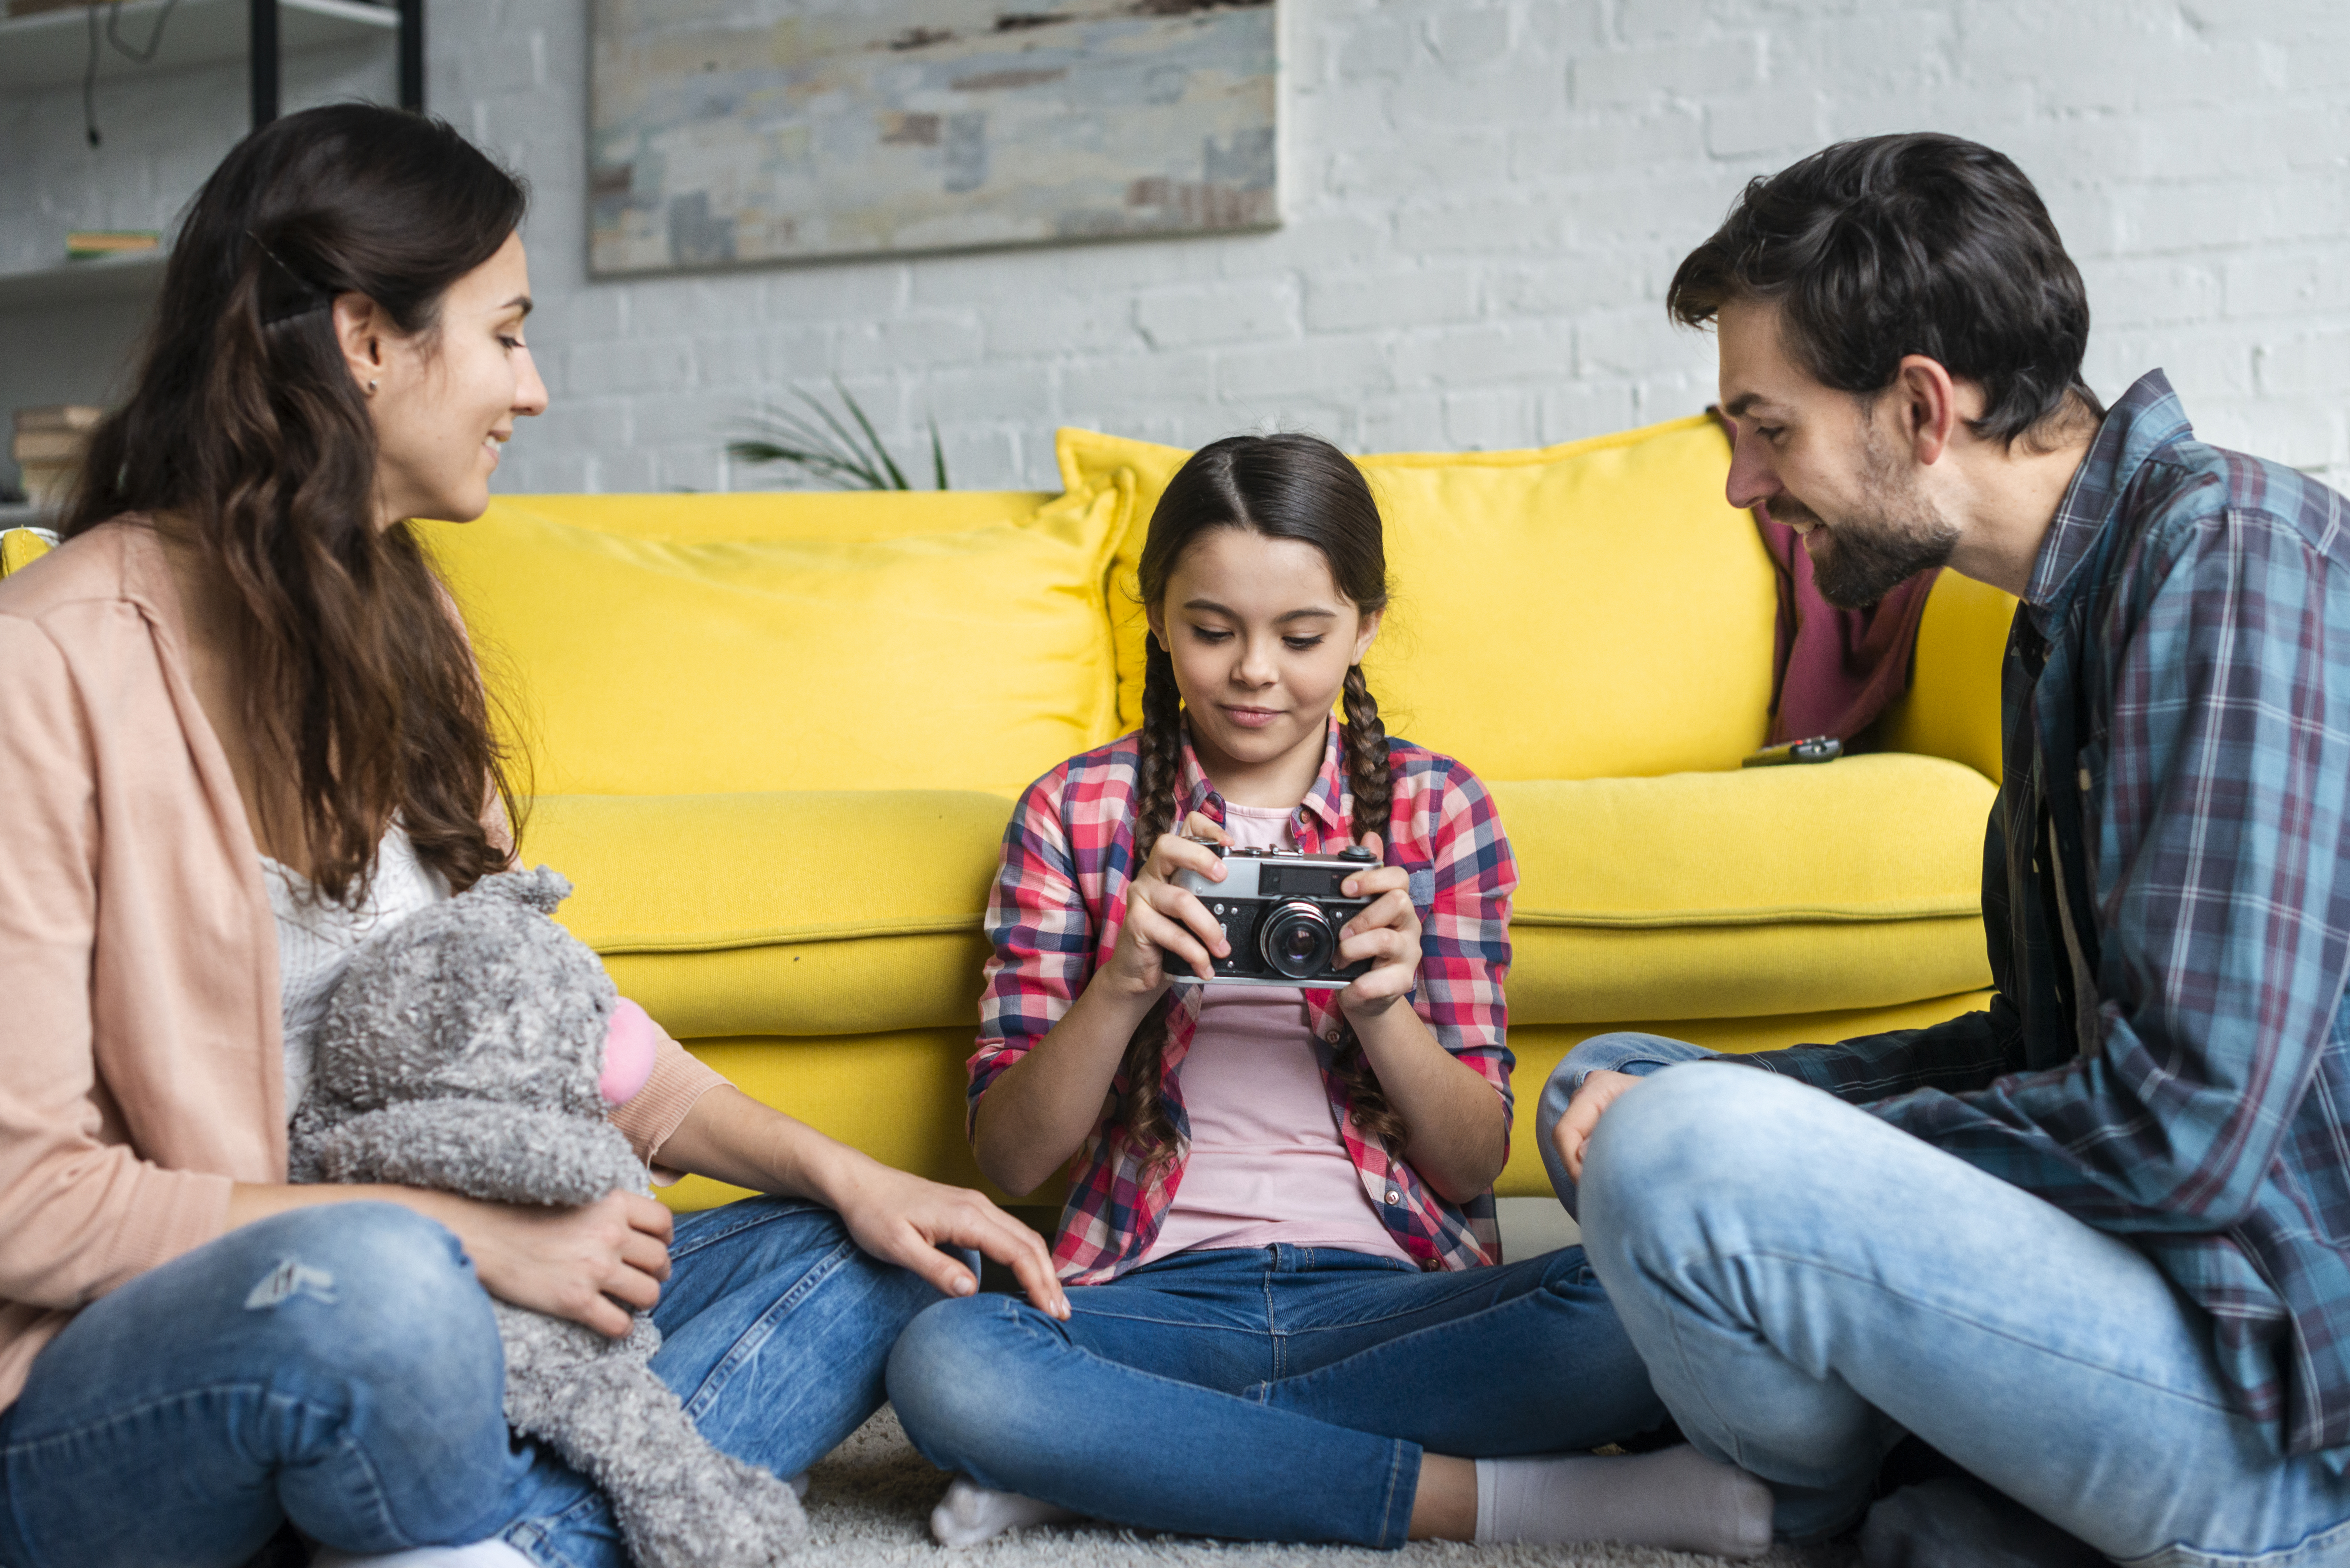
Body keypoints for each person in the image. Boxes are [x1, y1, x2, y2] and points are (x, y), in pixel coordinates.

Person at [0, 105, 1063, 1568]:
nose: (535, 387)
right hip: (146, 1374)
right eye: (506, 334)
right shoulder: (48, 666)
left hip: (460, 1305)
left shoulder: (406, 618)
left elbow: (550, 1018)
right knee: (379, 1290)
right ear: (368, 339)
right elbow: (29, 1206)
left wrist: (848, 1170)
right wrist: (458, 1237)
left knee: (860, 1249)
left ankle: (473, 1541)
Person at [1541, 131, 2350, 1565]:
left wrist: (1776, 1155)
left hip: (2287, 1416)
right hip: (2173, 1318)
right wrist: (1740, 1103)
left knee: (1676, 1153)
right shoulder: (2070, 612)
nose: (1741, 484)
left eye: (1766, 426)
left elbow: (2188, 1132)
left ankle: (1793, 1503)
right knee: (1634, 1079)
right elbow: (2041, 1059)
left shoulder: (2229, 558)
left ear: (1920, 405)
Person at [885, 432, 1774, 1556]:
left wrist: (1381, 1010)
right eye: (1212, 632)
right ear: (1156, 619)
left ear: (1365, 626)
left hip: (1394, 1301)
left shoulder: (1437, 811)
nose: (1256, 672)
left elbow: (1468, 1161)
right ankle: (1501, 1502)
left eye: (1301, 636)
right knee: (946, 1362)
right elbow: (1011, 1166)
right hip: (1153, 1298)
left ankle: (1126, 1462)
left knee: (1648, 1304)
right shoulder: (1073, 813)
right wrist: (1121, 986)